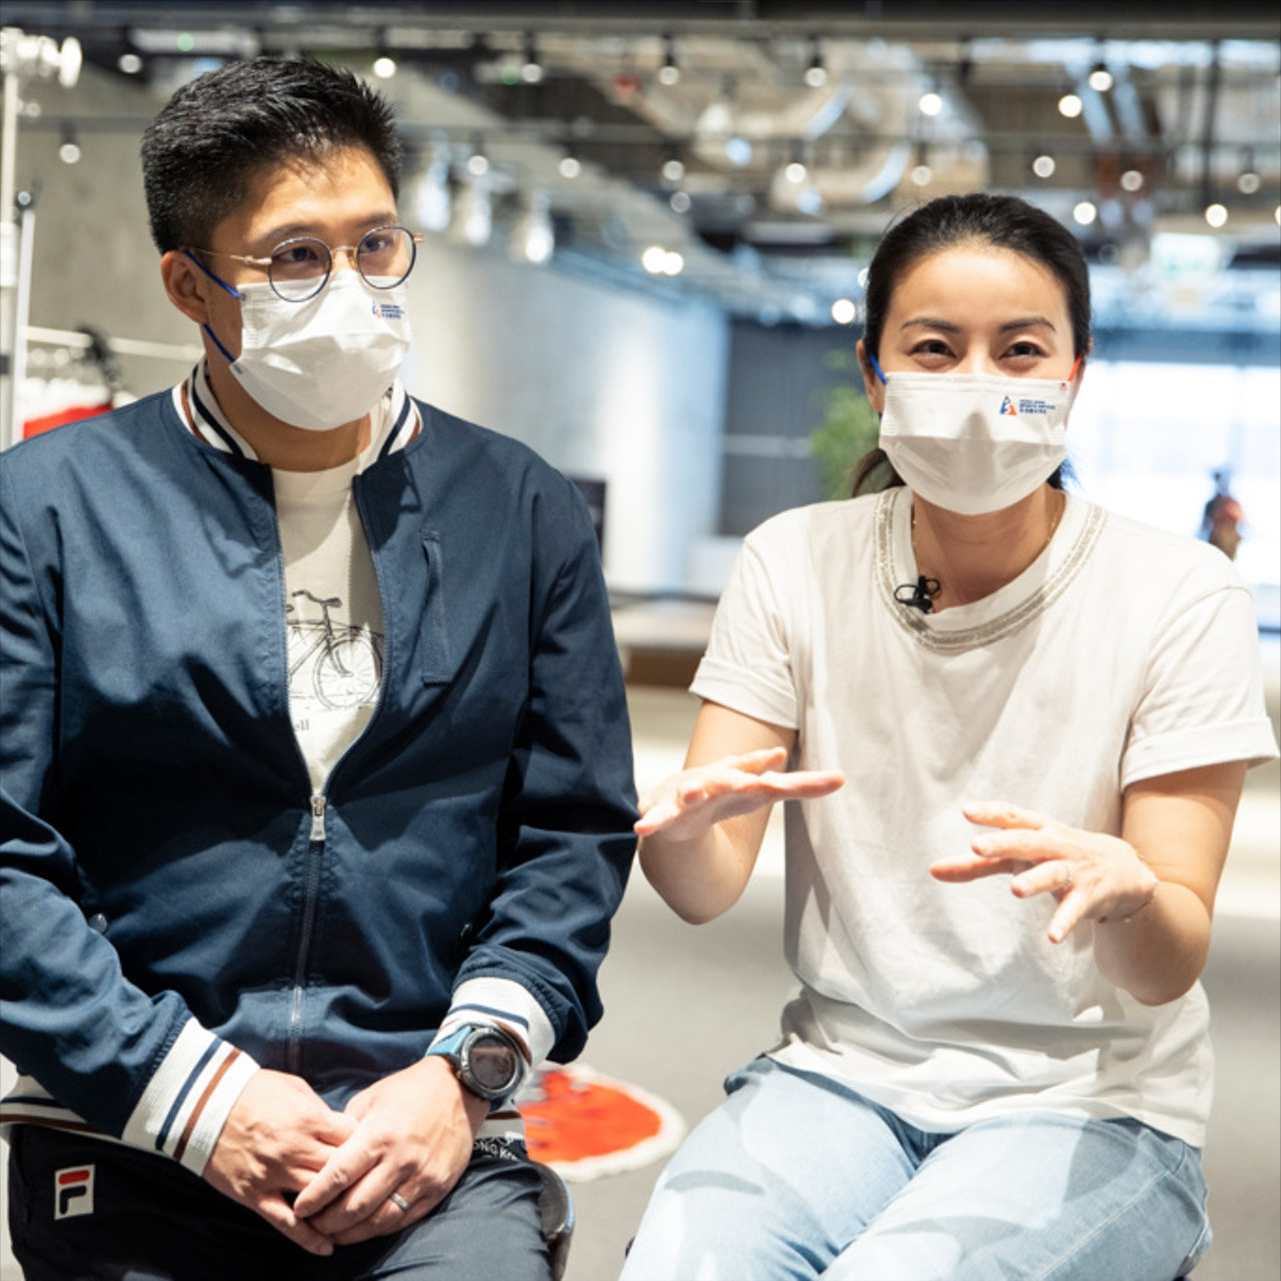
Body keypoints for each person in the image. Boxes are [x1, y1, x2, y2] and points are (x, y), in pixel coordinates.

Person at [0, 56, 637, 1281]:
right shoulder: (49, 509)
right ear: (190, 285)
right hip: (133, 1119)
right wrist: (192, 1096)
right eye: (293, 256)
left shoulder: (517, 507)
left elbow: (572, 834)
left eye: (375, 245)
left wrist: (465, 1075)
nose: (347, 287)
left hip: (428, 1126)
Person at [619, 193, 1278, 1281]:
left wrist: (1126, 890)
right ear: (875, 375)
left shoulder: (1181, 592)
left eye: (1022, 351)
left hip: (1095, 1102)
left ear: (1074, 377)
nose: (980, 382)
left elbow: (1166, 967)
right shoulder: (794, 559)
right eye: (935, 348)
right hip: (839, 1074)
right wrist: (680, 832)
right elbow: (701, 887)